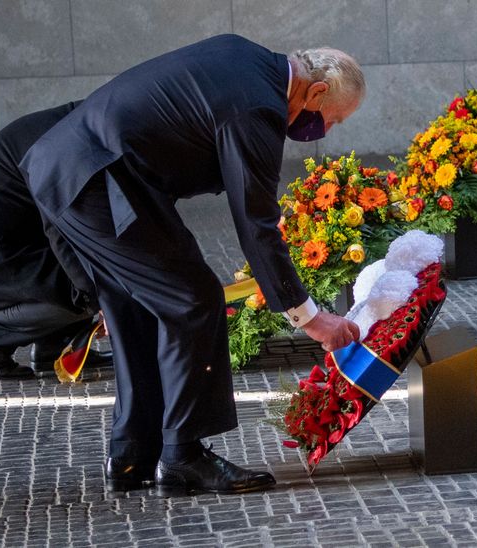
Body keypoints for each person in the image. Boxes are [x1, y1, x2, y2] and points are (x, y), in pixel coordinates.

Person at [20, 34, 365, 495]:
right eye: (331, 120)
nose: (323, 130)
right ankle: (182, 455)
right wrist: (311, 318)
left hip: (67, 168)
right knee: (194, 300)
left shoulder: (241, 54)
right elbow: (256, 222)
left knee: (136, 306)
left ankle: (130, 455)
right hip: (102, 182)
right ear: (316, 93)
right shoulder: (259, 108)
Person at [0, 102, 113, 380]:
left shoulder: (71, 126)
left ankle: (54, 348)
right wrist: (102, 302)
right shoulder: (62, 143)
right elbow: (60, 233)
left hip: (7, 245)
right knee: (84, 289)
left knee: (90, 277)